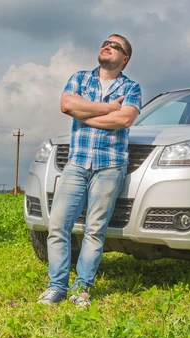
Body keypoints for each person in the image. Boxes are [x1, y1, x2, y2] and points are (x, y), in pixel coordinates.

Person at [38, 34, 142, 307]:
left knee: (95, 231)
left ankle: (81, 289)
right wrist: (108, 108)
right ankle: (56, 287)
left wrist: (85, 113)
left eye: (115, 46)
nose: (107, 46)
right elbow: (66, 105)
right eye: (105, 43)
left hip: (110, 165)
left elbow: (125, 119)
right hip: (77, 163)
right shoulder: (80, 78)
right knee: (58, 225)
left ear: (125, 58)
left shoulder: (132, 87)